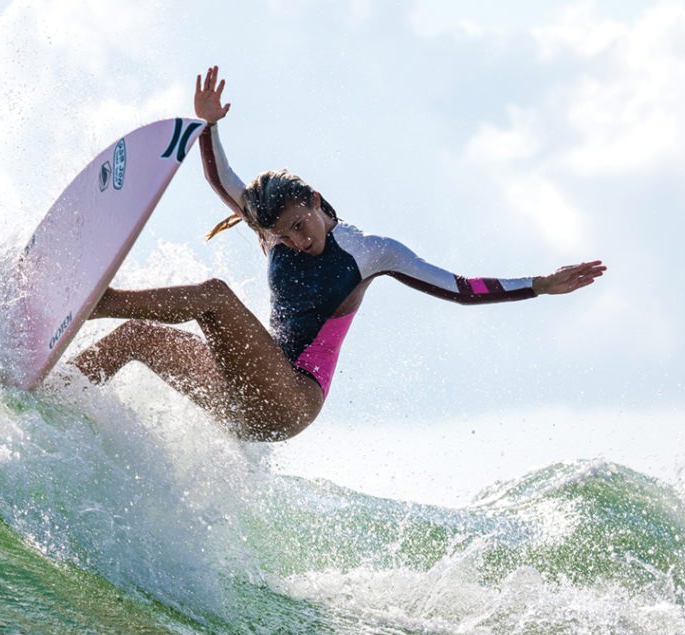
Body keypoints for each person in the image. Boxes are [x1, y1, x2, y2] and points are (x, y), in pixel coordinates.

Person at [73, 66, 606, 441]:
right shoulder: (276, 230)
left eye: (301, 227)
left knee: (213, 297)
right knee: (133, 339)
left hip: (291, 402)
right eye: (282, 237)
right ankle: (52, 399)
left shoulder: (371, 252)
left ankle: (98, 300)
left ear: (314, 200)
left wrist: (538, 284)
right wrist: (209, 125)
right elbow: (222, 179)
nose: (298, 242)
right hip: (245, 386)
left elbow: (460, 290)